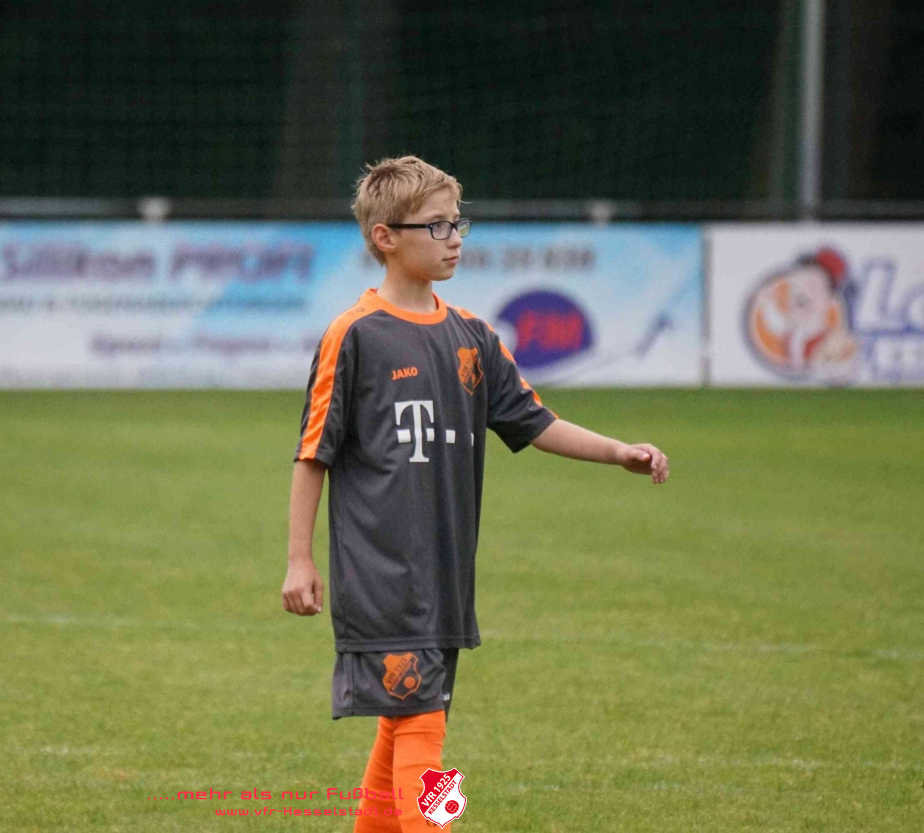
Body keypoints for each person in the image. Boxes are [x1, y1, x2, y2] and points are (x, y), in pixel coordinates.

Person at [281, 156, 669, 832]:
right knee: (423, 728)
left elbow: (534, 421)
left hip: (446, 575)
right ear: (385, 237)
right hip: (384, 576)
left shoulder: (473, 337)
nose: (454, 237)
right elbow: (314, 452)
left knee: (409, 721)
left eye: (458, 223)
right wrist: (299, 559)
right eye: (437, 226)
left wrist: (618, 452)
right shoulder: (355, 335)